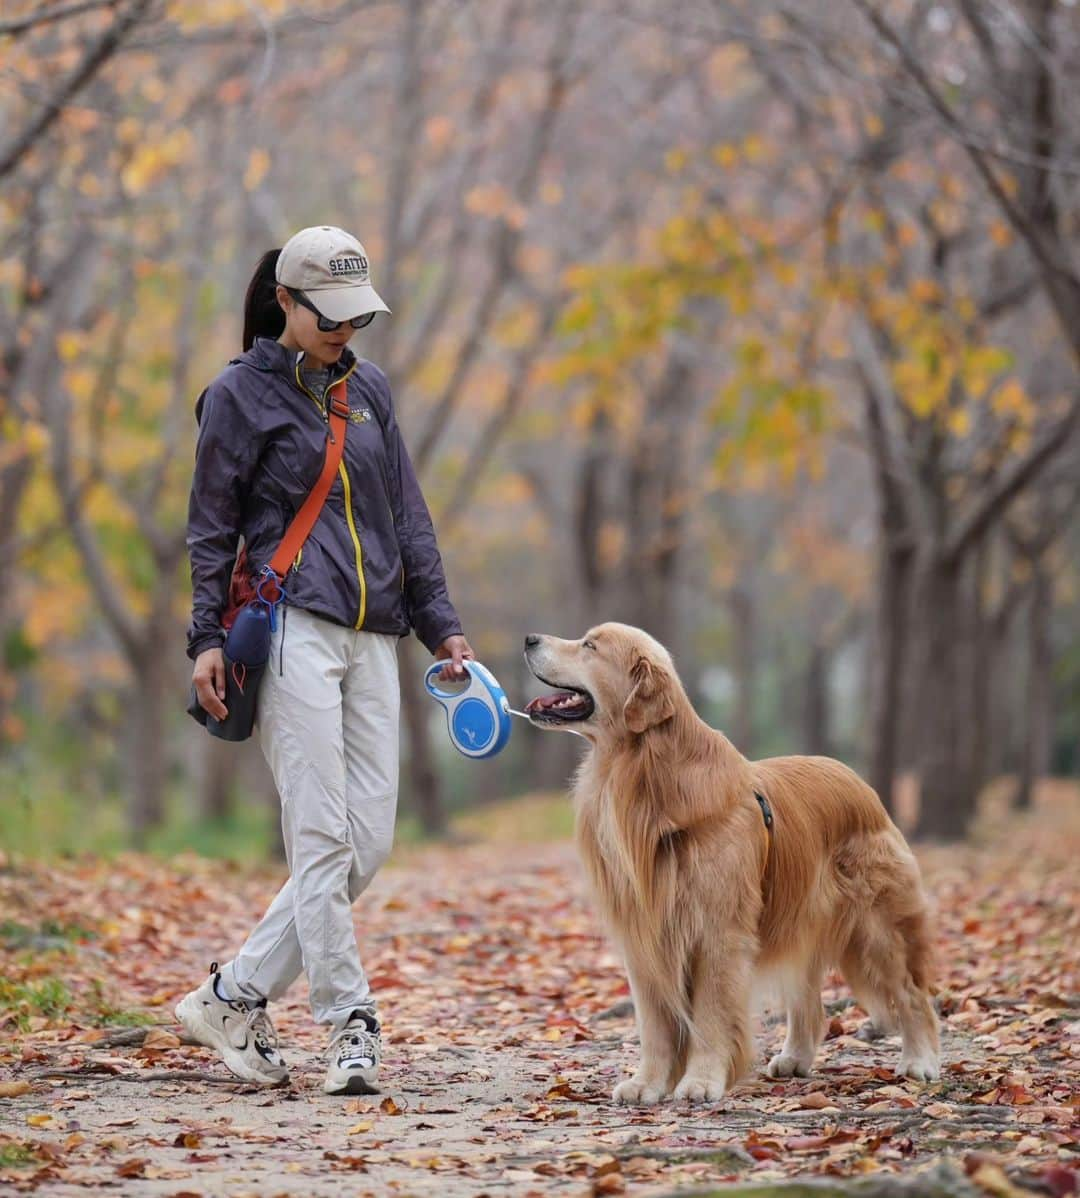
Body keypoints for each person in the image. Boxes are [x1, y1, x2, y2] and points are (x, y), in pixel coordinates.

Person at [176, 225, 474, 1095]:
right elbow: (210, 528)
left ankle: (232, 995)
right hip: (290, 628)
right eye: (330, 315)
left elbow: (407, 519)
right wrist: (203, 638)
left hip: (375, 632)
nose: (346, 331)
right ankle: (351, 1024)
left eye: (356, 316)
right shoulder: (238, 395)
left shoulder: (370, 391)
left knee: (365, 844)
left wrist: (442, 626)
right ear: (287, 302)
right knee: (320, 837)